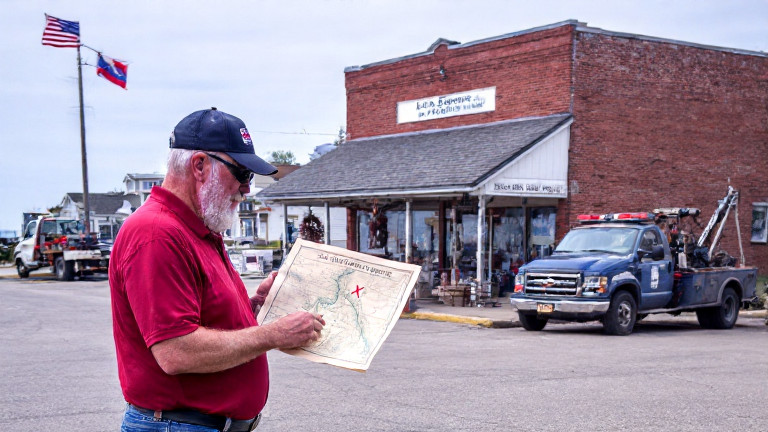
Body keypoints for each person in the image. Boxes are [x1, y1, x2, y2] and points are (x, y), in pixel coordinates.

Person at [110, 107, 325, 431]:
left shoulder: (197, 229)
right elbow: (176, 352)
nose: (247, 189)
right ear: (199, 165)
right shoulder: (156, 233)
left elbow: (208, 325)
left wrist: (255, 308)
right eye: (242, 174)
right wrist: (273, 334)